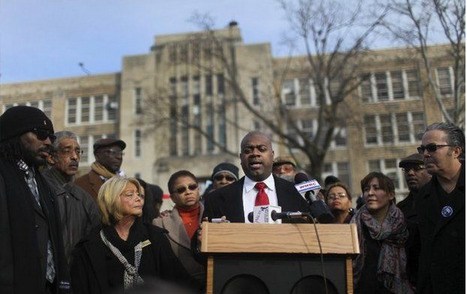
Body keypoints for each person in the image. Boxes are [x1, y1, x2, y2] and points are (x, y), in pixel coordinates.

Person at [70, 176, 196, 294]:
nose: (138, 199)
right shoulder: (90, 246)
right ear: (111, 200)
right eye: (130, 195)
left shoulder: (155, 237)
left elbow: (178, 280)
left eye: (139, 194)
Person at [0, 106, 71, 293]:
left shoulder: (42, 181)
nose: (48, 142)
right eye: (40, 134)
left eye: (51, 137)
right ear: (15, 134)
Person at [204, 131, 309, 223]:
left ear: (272, 155)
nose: (255, 154)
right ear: (241, 158)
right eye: (248, 151)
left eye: (262, 149)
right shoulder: (216, 199)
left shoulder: (296, 194)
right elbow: (202, 239)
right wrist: (200, 238)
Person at [416, 122, 465, 293]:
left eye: (432, 148)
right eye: (422, 149)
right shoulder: (423, 197)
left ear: (456, 151)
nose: (426, 154)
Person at [43, 131, 101, 265]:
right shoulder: (38, 189)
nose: (74, 157)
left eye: (78, 151)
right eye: (67, 151)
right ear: (51, 158)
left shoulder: (84, 199)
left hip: (75, 274)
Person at [351, 172, 412, 294]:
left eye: (377, 188)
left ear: (390, 195)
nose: (370, 193)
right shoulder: (355, 225)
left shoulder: (403, 226)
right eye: (366, 189)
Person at [153, 170, 206, 286]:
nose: (188, 192)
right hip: (180, 286)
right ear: (172, 197)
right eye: (181, 190)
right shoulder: (159, 223)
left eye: (192, 187)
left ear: (198, 190)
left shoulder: (213, 216)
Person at [397, 153, 432, 287]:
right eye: (406, 170)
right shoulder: (401, 209)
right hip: (411, 280)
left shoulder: (441, 201)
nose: (410, 173)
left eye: (417, 168)